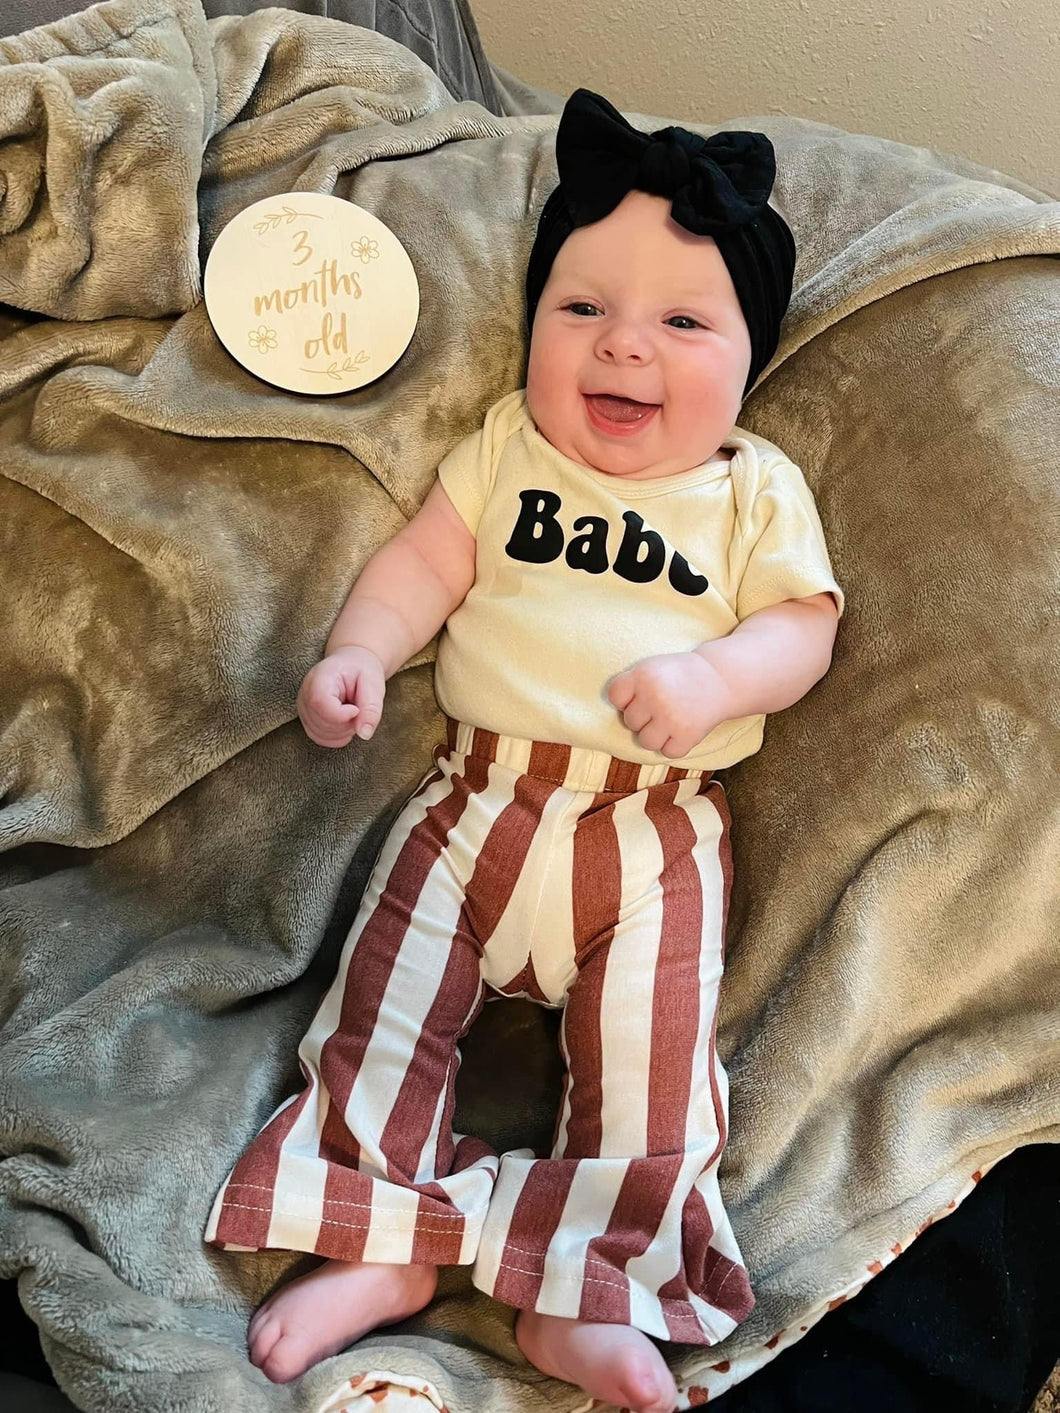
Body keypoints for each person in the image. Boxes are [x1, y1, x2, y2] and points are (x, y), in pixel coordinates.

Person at [204, 88, 845, 1413]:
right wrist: (363, 654)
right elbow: (424, 563)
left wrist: (716, 670)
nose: (624, 348)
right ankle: (379, 1241)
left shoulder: (751, 487)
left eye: (681, 321)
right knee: (378, 1015)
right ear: (537, 324)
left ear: (747, 355)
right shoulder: (507, 451)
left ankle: (587, 1291)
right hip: (476, 806)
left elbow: (803, 628)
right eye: (583, 309)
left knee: (660, 1084)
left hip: (652, 837)